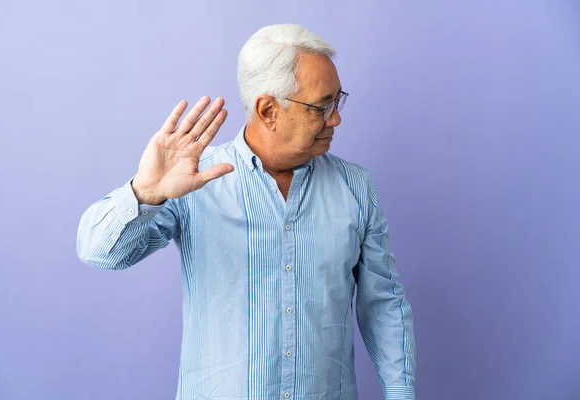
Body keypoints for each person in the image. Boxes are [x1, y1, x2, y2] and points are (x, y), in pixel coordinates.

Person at [77, 23, 415, 400]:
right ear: (268, 110)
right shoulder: (193, 181)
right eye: (323, 106)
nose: (335, 119)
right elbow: (98, 253)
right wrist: (145, 193)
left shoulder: (356, 187)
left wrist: (401, 393)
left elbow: (383, 302)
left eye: (338, 101)